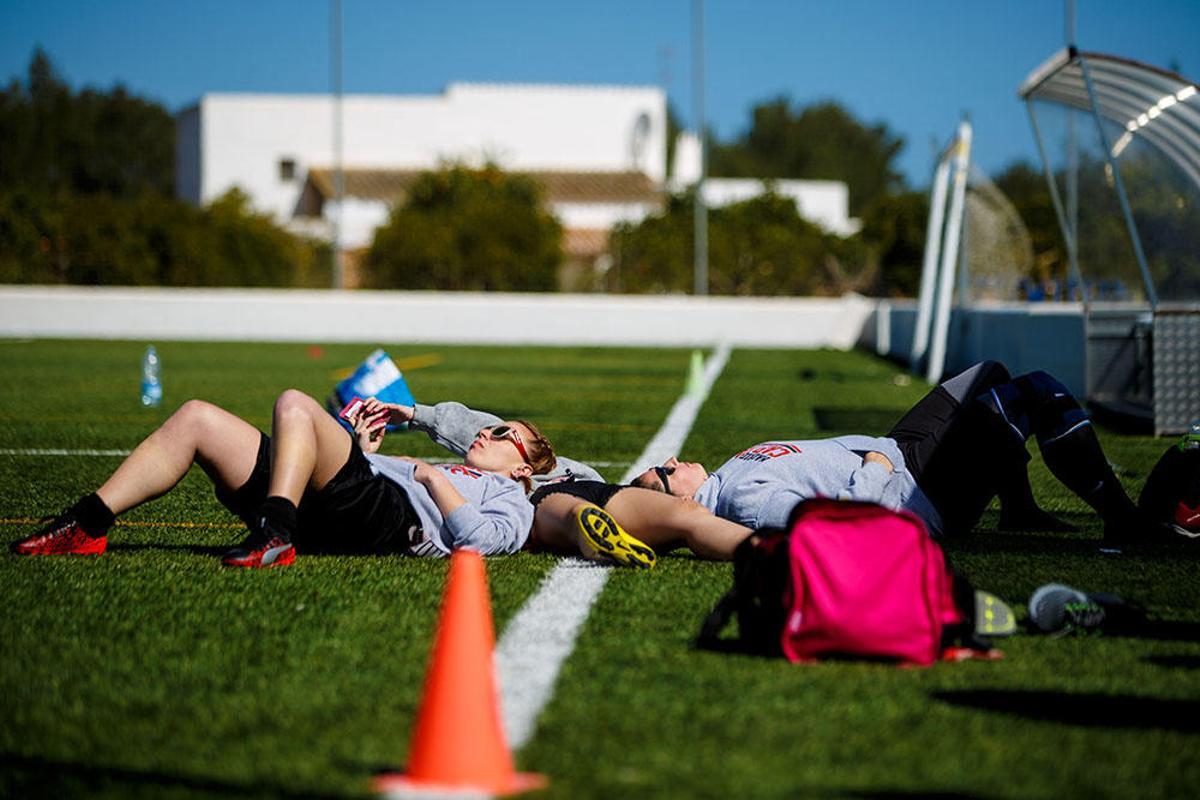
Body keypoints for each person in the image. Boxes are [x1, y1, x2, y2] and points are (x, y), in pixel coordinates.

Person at [11, 389, 556, 566]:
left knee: (296, 401)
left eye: (503, 433)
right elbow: (381, 472)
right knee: (197, 416)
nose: (485, 432)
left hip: (392, 520)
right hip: (349, 499)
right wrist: (369, 453)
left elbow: (478, 543)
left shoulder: (515, 499)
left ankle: (276, 530)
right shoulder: (454, 466)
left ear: (524, 466)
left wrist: (427, 476)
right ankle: (87, 524)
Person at [631, 361, 1157, 544]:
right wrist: (875, 470)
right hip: (918, 492)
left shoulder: (729, 474)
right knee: (1037, 390)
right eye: (662, 474)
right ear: (683, 507)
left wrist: (882, 455)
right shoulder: (743, 504)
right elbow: (842, 526)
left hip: (903, 452)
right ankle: (1121, 517)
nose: (670, 460)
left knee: (990, 373)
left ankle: (1020, 511)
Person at [352, 397, 755, 568]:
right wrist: (415, 413)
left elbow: (491, 435)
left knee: (688, 516)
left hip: (607, 501)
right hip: (548, 506)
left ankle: (772, 552)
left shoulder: (594, 478)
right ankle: (590, 531)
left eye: (667, 473)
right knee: (568, 507)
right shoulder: (537, 478)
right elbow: (482, 429)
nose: (665, 463)